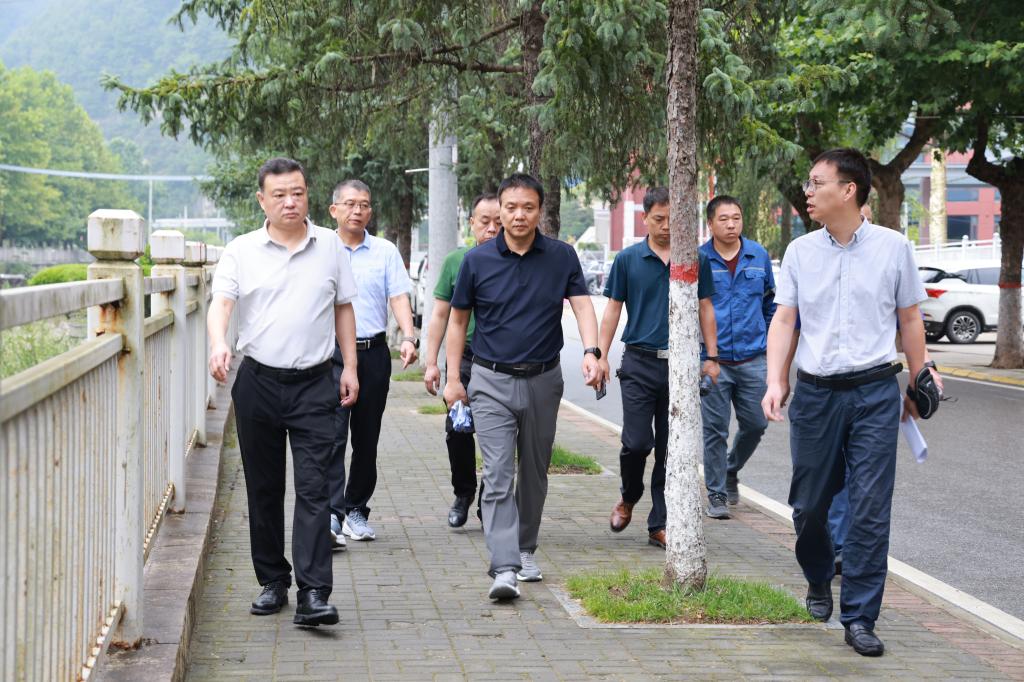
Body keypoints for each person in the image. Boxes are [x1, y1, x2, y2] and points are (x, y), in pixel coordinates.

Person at [762, 148, 932, 657]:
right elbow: (785, 320)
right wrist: (775, 380)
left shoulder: (893, 248)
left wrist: (920, 377)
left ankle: (860, 617)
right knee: (809, 507)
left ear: (849, 190)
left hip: (875, 392)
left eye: (817, 183)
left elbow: (909, 319)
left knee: (870, 509)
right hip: (816, 394)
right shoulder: (800, 252)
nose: (808, 192)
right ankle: (819, 576)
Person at [208, 157, 359, 627]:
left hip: (315, 382)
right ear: (262, 201)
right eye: (279, 195)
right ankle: (273, 580)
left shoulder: (330, 245)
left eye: (298, 192)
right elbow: (222, 303)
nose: (290, 202)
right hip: (258, 382)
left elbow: (344, 308)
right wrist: (218, 343)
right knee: (264, 487)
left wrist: (350, 367)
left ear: (308, 194)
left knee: (315, 487)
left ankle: (314, 592)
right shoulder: (241, 250)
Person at [443, 173, 603, 600]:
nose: (518, 215)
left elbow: (582, 305)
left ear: (539, 211)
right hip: (489, 380)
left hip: (544, 380)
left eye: (527, 208)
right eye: (511, 207)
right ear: (500, 210)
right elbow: (457, 322)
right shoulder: (477, 261)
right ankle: (504, 567)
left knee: (534, 471)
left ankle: (525, 548)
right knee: (498, 473)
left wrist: (592, 351)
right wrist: (453, 378)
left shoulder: (561, 256)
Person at [598, 186, 719, 549]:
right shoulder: (628, 259)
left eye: (673, 219)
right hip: (639, 363)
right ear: (645, 218)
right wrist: (600, 355)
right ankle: (629, 495)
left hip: (682, 366)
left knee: (671, 449)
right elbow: (612, 310)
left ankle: (660, 523)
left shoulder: (695, 259)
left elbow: (705, 308)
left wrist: (712, 358)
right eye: (659, 219)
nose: (667, 226)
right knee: (637, 443)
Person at [328, 179, 417, 546]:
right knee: (332, 436)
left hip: (374, 353)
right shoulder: (322, 248)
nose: (357, 210)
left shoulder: (384, 251)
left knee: (367, 438)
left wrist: (409, 336)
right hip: (331, 357)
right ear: (334, 209)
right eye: (350, 204)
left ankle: (356, 510)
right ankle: (331, 514)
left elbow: (398, 297)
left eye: (364, 204)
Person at [423, 193, 501, 527]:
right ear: (472, 223)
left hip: (500, 361)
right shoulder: (457, 261)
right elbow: (440, 314)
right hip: (464, 360)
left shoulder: (514, 261)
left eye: (498, 222)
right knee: (458, 429)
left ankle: (489, 499)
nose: (492, 228)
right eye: (485, 221)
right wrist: (432, 363)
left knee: (496, 436)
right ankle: (463, 492)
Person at [698, 195, 776, 520]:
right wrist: (704, 354)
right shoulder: (699, 258)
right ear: (710, 224)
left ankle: (731, 469)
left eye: (736, 218)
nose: (731, 225)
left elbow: (770, 303)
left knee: (756, 424)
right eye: (724, 219)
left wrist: (767, 339)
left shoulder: (758, 256)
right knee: (715, 430)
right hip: (713, 361)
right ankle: (716, 493)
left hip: (752, 359)